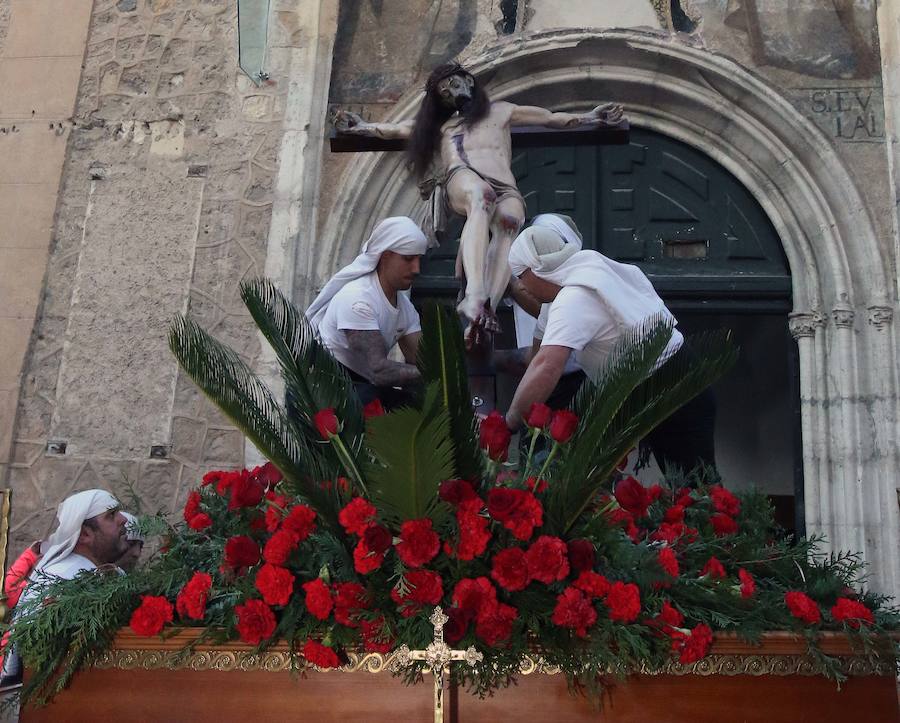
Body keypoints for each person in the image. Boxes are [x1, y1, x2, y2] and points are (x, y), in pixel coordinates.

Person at [334, 62, 624, 343]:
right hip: (463, 178)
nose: (449, 92)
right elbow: (394, 130)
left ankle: (486, 308)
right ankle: (473, 294)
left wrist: (591, 117)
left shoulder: (502, 112)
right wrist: (361, 127)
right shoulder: (444, 127)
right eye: (443, 91)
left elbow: (551, 118)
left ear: (469, 81)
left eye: (452, 83)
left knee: (511, 220)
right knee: (480, 197)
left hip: (505, 186)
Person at [504, 224, 717, 477]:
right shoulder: (585, 270)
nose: (521, 285)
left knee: (699, 490)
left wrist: (509, 422)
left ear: (535, 270)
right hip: (664, 386)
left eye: (520, 275)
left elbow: (546, 367)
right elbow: (537, 356)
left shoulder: (573, 297)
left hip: (674, 392)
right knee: (687, 490)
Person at [2, 490, 128, 687]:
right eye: (111, 516)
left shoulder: (111, 574)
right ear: (85, 534)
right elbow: (35, 659)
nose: (123, 520)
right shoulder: (59, 578)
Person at [307, 217, 429, 410]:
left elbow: (423, 361)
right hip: (327, 390)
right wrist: (429, 373)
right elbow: (378, 371)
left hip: (362, 390)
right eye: (408, 259)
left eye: (419, 259)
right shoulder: (357, 299)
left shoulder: (405, 309)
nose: (417, 269)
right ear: (386, 257)